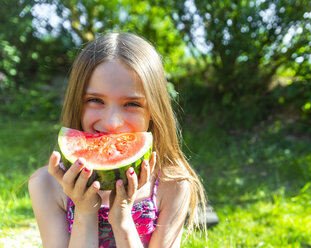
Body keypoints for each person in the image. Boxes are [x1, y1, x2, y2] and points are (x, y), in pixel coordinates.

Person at [28, 32, 207, 248]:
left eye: (132, 104)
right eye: (95, 100)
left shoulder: (173, 184)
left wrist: (122, 218)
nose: (112, 122)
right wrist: (85, 212)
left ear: (154, 111)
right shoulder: (46, 186)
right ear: (77, 103)